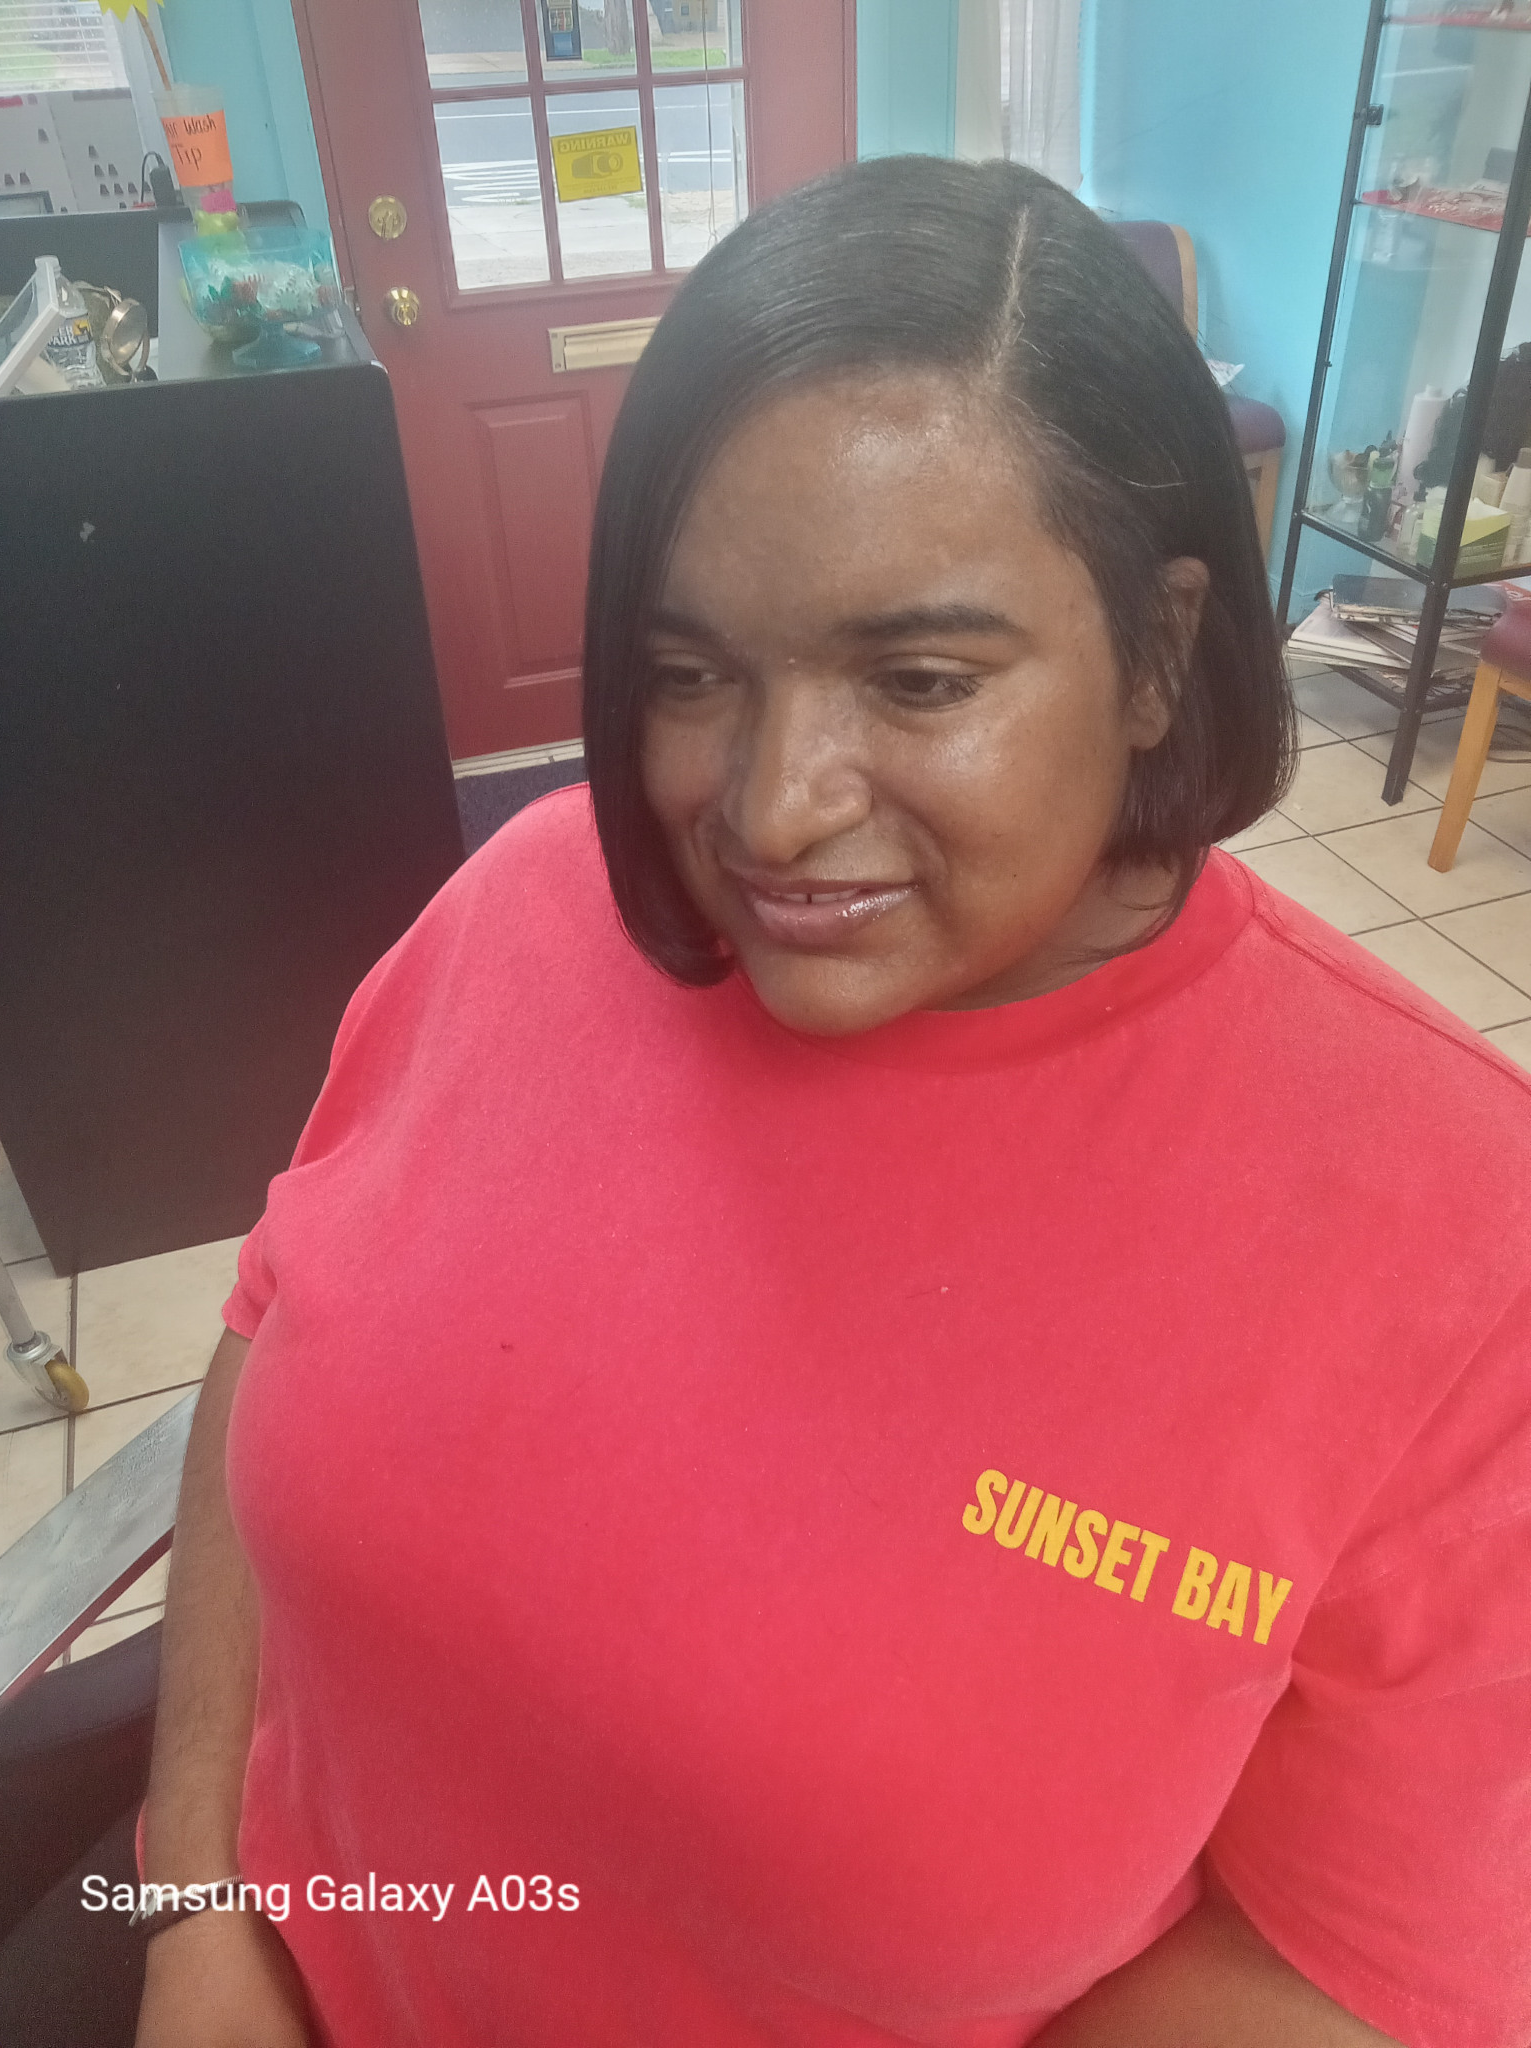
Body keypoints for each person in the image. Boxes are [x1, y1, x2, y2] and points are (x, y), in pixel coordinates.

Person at [135, 157, 1531, 2048]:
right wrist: (192, 1911)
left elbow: (1343, 1963)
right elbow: (269, 1318)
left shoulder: (1456, 1233)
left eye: (922, 677)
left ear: (1159, 652)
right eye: (692, 673)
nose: (773, 808)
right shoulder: (523, 906)